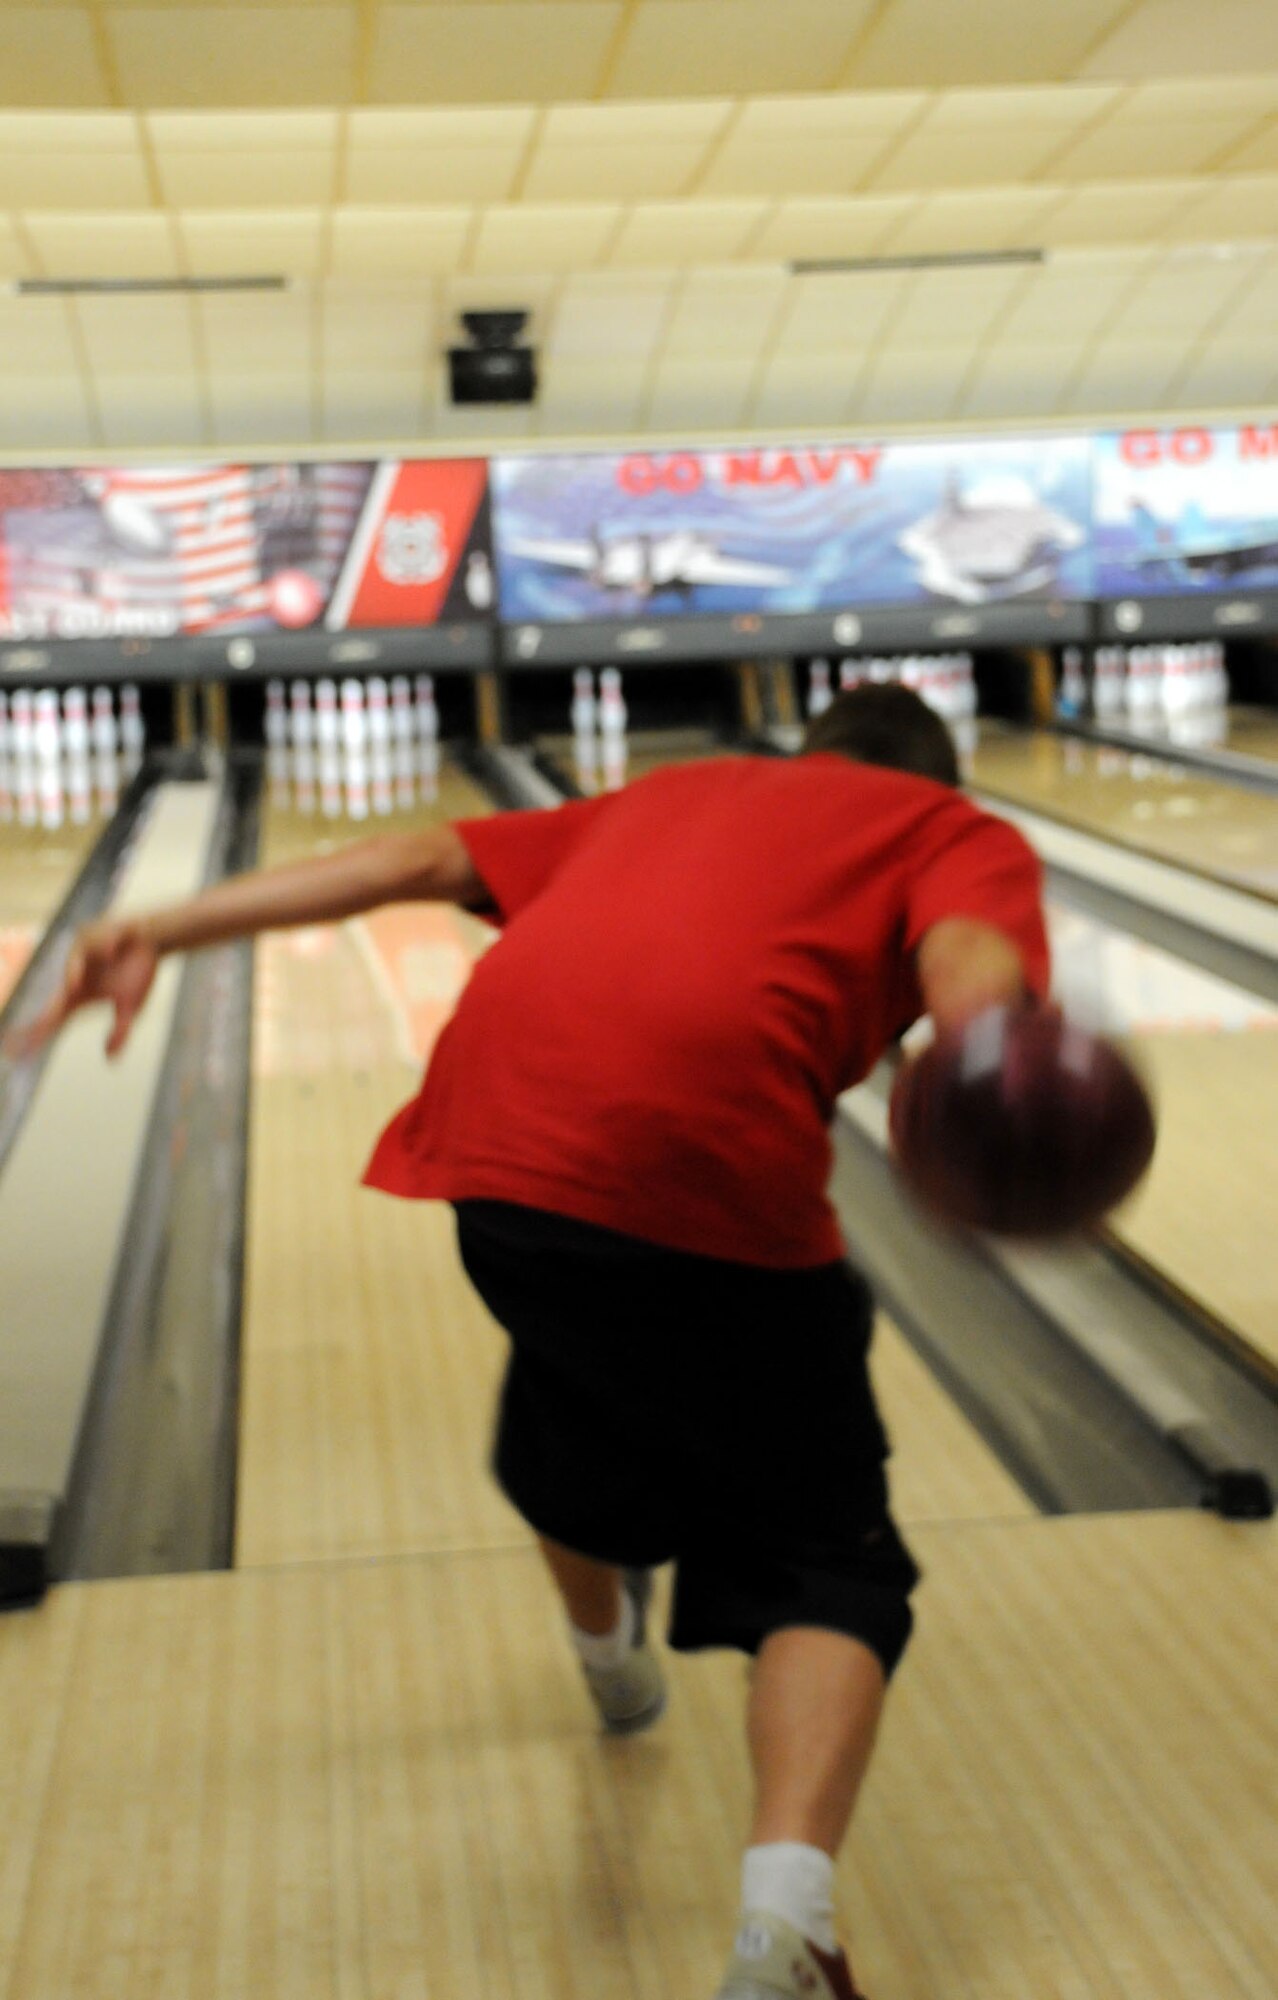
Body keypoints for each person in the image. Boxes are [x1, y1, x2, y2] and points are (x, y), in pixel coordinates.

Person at [11, 684, 1050, 2000]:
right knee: (830, 1564)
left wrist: (155, 923)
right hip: (706, 1160)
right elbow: (972, 984)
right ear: (938, 779)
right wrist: (1003, 1114)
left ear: (808, 753)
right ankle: (786, 1933)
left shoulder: (672, 794)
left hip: (495, 1147)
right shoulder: (951, 832)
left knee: (579, 1373)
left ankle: (609, 1661)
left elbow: (405, 860)